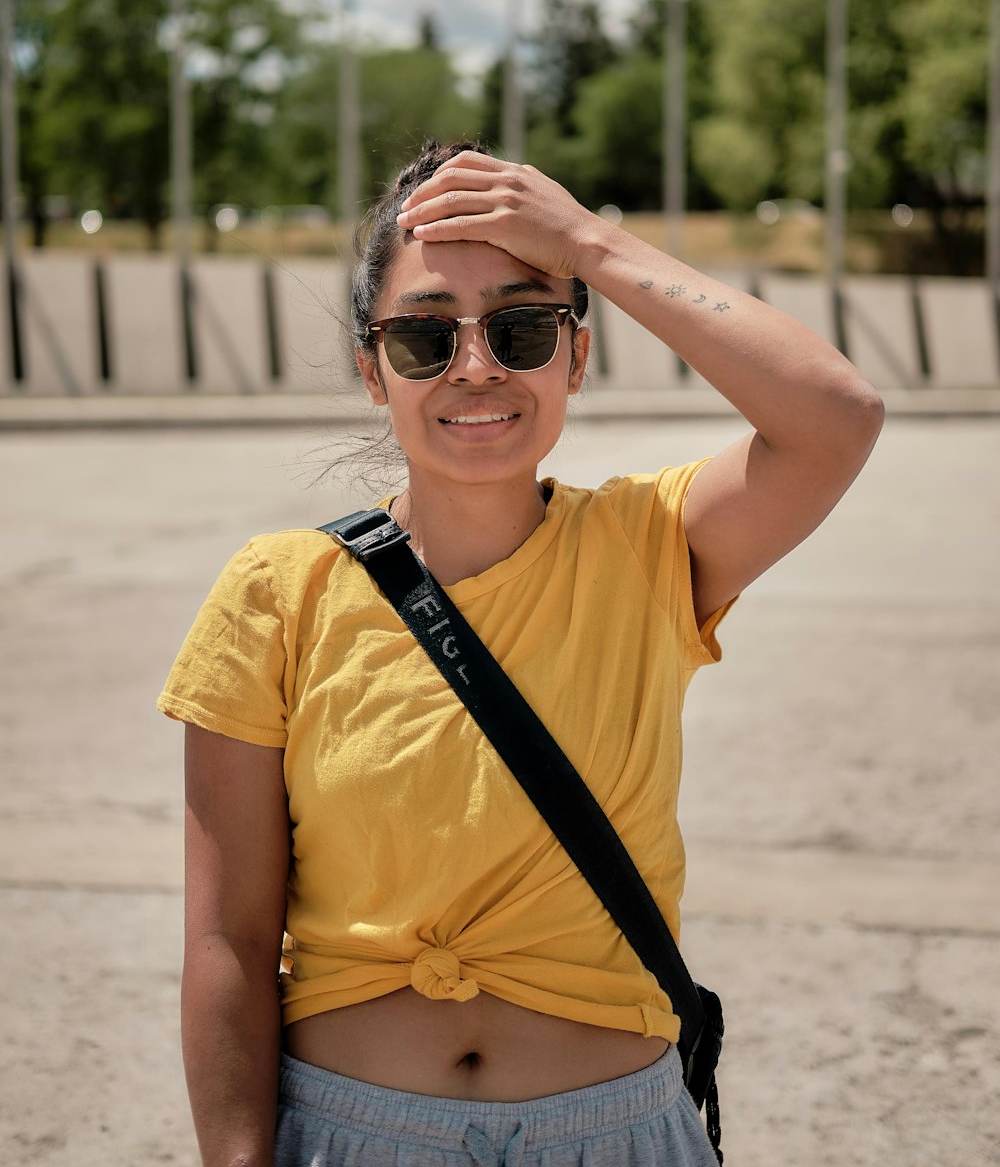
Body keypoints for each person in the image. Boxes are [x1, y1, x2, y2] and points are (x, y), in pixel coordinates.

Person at [158, 141, 884, 1167]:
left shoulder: (652, 545)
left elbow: (836, 417)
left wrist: (590, 244)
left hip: (616, 1135)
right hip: (356, 1136)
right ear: (372, 371)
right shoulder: (278, 593)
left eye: (522, 324)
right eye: (422, 337)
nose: (476, 366)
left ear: (575, 355)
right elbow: (225, 937)